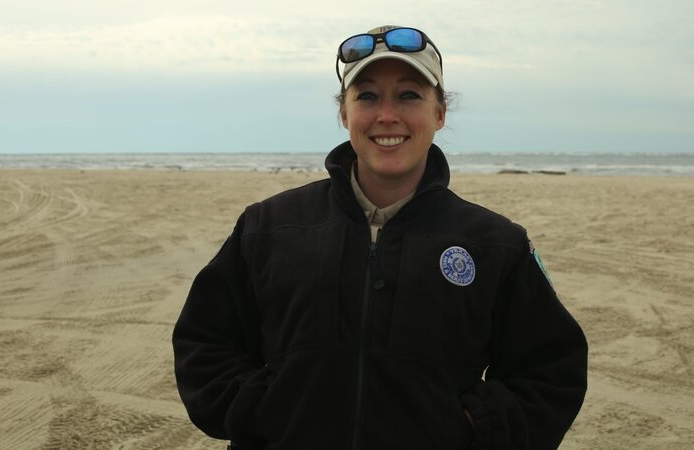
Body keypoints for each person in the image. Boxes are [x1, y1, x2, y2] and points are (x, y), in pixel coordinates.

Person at [173, 25, 588, 450]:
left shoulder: (496, 244)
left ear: (440, 114)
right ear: (344, 113)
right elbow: (204, 344)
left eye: (409, 95)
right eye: (367, 96)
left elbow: (552, 373)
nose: (387, 116)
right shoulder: (270, 227)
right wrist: (263, 409)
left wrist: (475, 424)